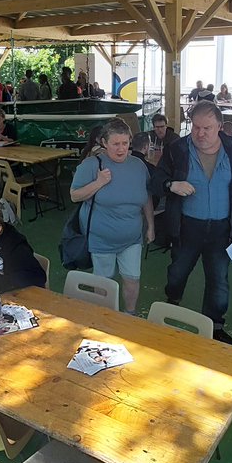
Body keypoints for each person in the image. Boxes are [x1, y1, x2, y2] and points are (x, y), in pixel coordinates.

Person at [151, 101, 232, 343]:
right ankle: (172, 301)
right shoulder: (177, 149)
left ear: (219, 126)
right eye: (196, 127)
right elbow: (156, 180)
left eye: (207, 128)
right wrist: (171, 185)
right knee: (177, 272)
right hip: (187, 226)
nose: (200, 133)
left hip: (222, 228)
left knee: (218, 279)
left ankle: (215, 325)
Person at [70, 118, 155, 315]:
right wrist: (99, 182)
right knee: (103, 283)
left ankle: (130, 315)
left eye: (125, 143)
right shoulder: (91, 165)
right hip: (101, 239)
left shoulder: (138, 166)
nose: (121, 148)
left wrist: (151, 225)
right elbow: (75, 196)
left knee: (132, 278)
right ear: (104, 143)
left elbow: (146, 197)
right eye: (115, 143)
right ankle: (104, 317)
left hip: (132, 238)